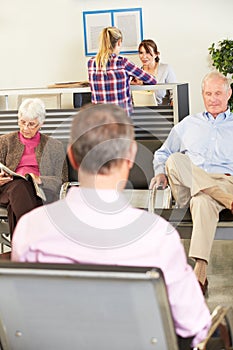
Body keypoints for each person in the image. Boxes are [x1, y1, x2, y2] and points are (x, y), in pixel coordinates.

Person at [11, 103, 211, 349]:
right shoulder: (158, 236)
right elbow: (194, 327)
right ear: (130, 157)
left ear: (72, 156)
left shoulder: (30, 229)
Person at [150, 71, 233, 295]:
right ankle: (228, 201)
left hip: (224, 182)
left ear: (229, 94)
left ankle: (200, 274)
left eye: (218, 93)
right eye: (208, 93)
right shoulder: (188, 124)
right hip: (188, 185)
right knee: (175, 160)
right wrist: (161, 172)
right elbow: (163, 153)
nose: (213, 98)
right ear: (202, 95)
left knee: (202, 201)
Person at [0, 98, 68, 236]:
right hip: (8, 188)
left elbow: (62, 179)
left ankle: (21, 251)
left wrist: (39, 179)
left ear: (41, 124)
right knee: (20, 185)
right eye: (22, 122)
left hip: (40, 190)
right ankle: (34, 240)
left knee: (18, 200)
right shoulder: (4, 141)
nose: (25, 128)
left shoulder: (54, 146)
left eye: (31, 124)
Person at [87, 27, 157, 117]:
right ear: (119, 42)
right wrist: (132, 79)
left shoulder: (91, 63)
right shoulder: (123, 63)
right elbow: (152, 80)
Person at [131, 39, 176, 105]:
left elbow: (174, 95)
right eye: (141, 53)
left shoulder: (165, 69)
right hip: (142, 112)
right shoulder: (137, 74)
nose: (144, 56)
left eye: (148, 52)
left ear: (156, 54)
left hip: (163, 112)